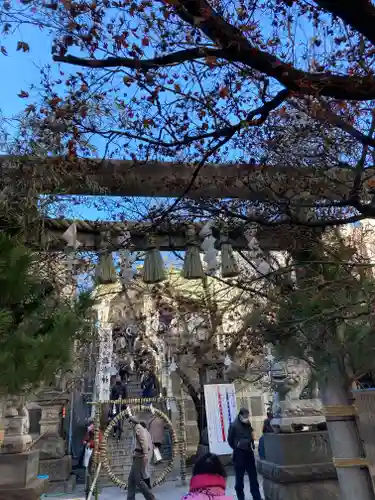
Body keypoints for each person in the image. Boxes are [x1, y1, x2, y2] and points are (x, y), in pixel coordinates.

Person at [228, 408, 263, 500]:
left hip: (249, 454)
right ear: (240, 415)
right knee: (239, 480)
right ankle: (241, 498)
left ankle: (257, 497)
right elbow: (230, 440)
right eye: (245, 416)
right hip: (239, 455)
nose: (247, 418)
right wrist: (237, 446)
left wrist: (251, 438)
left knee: (253, 478)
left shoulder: (247, 424)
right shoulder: (234, 426)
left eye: (248, 416)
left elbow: (250, 433)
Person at [126, 414, 156, 500]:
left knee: (138, 480)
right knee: (131, 479)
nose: (129, 425)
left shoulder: (138, 428)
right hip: (137, 455)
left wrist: (145, 454)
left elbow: (144, 441)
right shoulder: (137, 428)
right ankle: (130, 498)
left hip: (139, 456)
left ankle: (151, 497)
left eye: (129, 423)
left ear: (132, 422)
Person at [109, 374, 128, 441]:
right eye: (117, 378)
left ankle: (119, 436)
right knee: (114, 420)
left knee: (120, 421)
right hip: (115, 405)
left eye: (118, 377)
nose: (117, 379)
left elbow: (126, 396)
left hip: (122, 406)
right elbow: (112, 397)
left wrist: (123, 401)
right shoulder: (114, 387)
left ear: (120, 378)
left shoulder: (123, 386)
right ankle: (114, 431)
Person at [140, 420, 154, 489]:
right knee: (145, 470)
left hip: (145, 454)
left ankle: (147, 486)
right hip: (147, 453)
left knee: (144, 470)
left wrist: (145, 454)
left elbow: (144, 444)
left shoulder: (143, 433)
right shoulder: (147, 432)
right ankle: (146, 486)